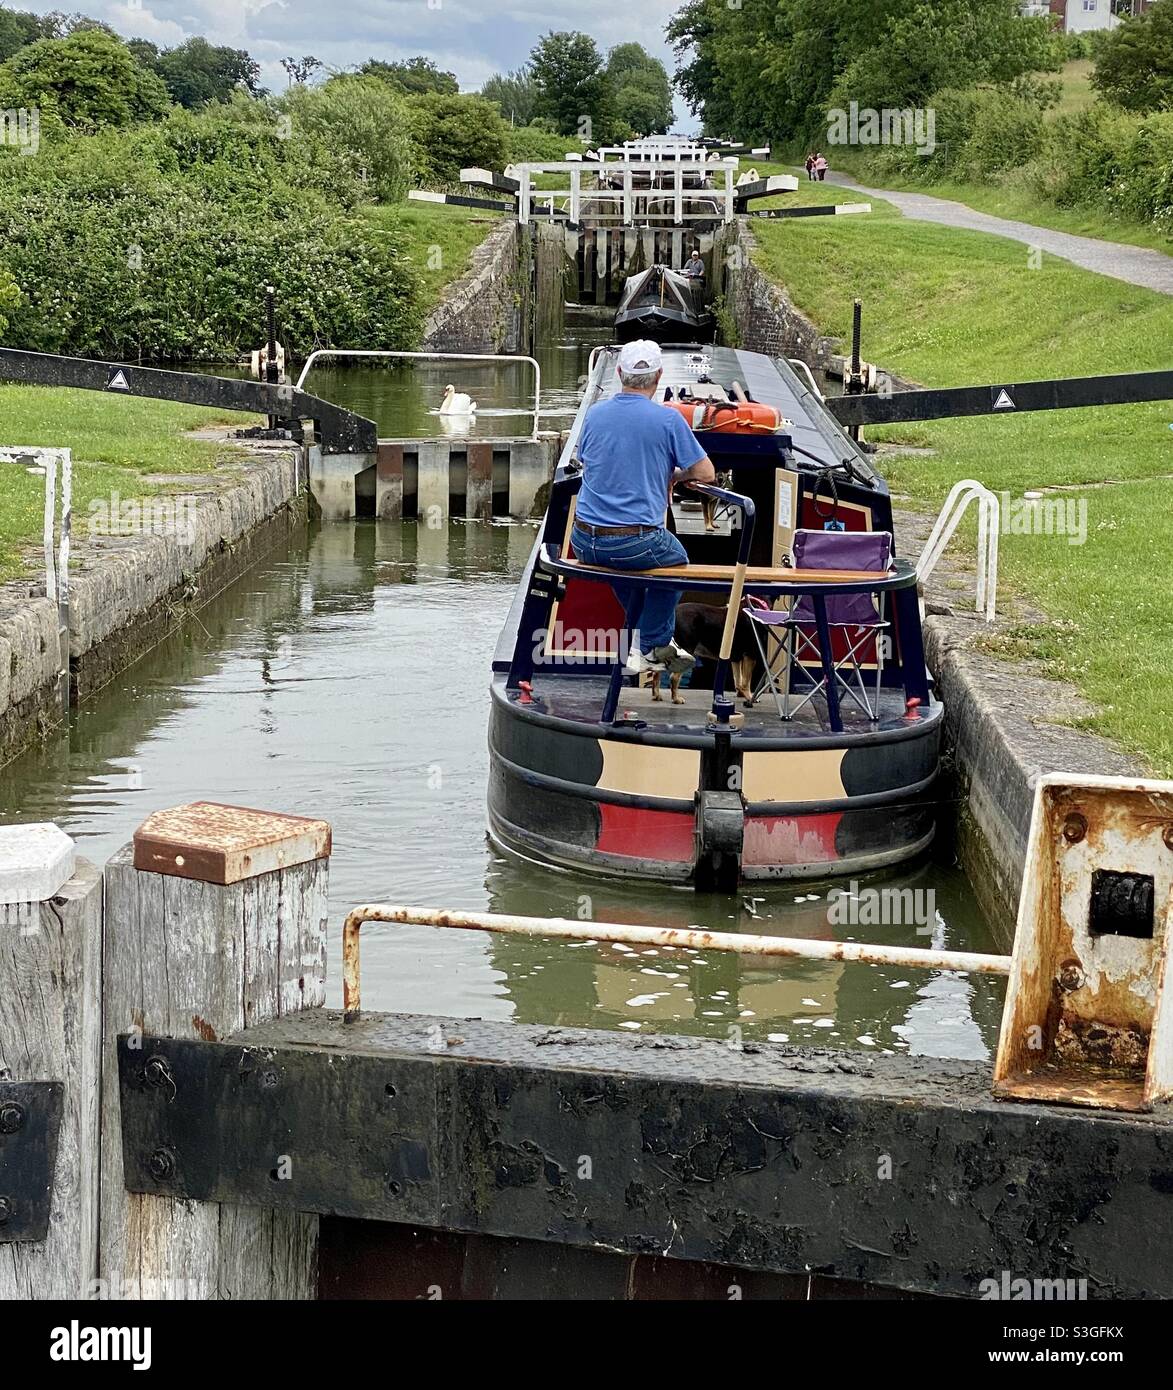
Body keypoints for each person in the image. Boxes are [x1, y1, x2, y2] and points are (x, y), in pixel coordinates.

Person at [571, 340, 716, 677]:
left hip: (585, 541)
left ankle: (642, 643)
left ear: (619, 373)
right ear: (659, 376)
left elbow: (587, 462)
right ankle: (653, 644)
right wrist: (676, 476)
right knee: (677, 564)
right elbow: (706, 473)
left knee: (630, 573)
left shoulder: (594, 415)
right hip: (632, 541)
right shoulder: (668, 420)